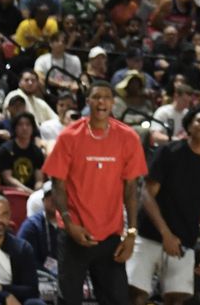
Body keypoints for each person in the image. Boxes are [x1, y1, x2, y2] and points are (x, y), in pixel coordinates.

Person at [42, 80, 147, 305]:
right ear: (88, 101)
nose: (101, 102)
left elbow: (131, 189)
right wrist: (69, 223)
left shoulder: (128, 138)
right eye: (96, 97)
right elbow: (57, 184)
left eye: (107, 97)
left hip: (110, 236)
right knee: (69, 300)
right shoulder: (69, 136)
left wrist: (131, 232)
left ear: (113, 102)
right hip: (74, 234)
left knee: (117, 300)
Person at [127, 104, 200, 305]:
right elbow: (146, 194)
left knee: (177, 299)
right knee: (136, 295)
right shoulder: (168, 152)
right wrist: (166, 235)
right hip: (149, 234)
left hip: (184, 242)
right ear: (189, 126)